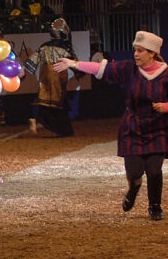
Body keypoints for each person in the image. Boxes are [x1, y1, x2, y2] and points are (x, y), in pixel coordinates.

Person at [54, 31, 167, 221]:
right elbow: (101, 69)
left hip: (157, 128)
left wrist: (165, 106)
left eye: (140, 51)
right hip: (133, 127)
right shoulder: (129, 69)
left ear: (152, 53)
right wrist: (74, 63)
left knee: (155, 171)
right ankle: (133, 188)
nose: (136, 54)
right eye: (135, 50)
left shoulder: (164, 74)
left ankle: (155, 206)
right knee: (135, 171)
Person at [22, 18, 78, 137]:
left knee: (45, 104)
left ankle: (38, 121)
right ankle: (62, 130)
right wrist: (81, 72)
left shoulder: (44, 47)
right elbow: (75, 64)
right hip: (58, 78)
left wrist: (23, 72)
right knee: (58, 105)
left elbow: (32, 61)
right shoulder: (65, 49)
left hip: (45, 78)